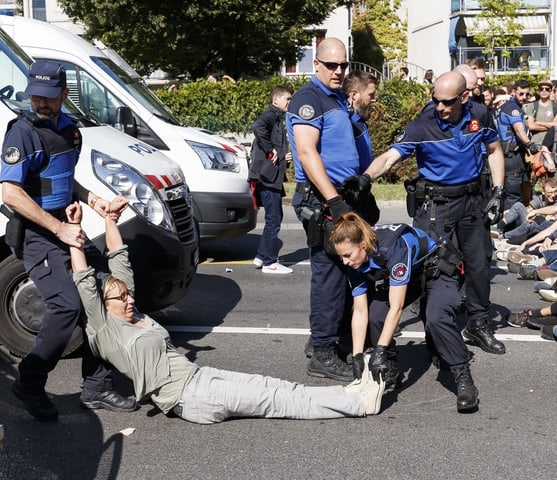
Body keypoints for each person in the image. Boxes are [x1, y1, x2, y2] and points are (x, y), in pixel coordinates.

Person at [67, 197, 386, 423]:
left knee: (276, 386)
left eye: (127, 293)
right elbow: (83, 280)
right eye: (120, 298)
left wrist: (110, 220)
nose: (129, 299)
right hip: (191, 399)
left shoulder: (130, 309)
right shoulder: (104, 329)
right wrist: (74, 230)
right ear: (102, 307)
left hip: (202, 376)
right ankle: (358, 404)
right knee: (278, 401)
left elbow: (118, 255)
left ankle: (352, 391)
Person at [1, 60, 136, 421]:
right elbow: (11, 192)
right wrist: (58, 229)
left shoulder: (71, 131)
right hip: (38, 235)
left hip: (67, 227)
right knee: (66, 306)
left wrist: (96, 201)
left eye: (48, 97)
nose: (40, 104)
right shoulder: (21, 132)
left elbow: (64, 180)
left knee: (107, 294)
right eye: (35, 97)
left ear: (63, 94)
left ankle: (97, 387)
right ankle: (29, 382)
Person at [363, 71, 507, 356]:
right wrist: (365, 178)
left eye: (447, 102)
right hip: (436, 208)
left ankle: (477, 322)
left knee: (479, 264)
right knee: (435, 270)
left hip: (472, 202)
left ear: (465, 97)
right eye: (436, 100)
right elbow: (391, 157)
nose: (439, 107)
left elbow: (494, 149)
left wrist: (499, 191)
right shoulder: (423, 124)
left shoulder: (480, 114)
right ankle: (436, 336)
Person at [286, 38, 377, 381]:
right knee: (329, 275)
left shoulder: (336, 99)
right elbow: (307, 153)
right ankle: (322, 351)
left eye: (343, 65)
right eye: (332, 65)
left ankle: (326, 341)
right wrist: (334, 201)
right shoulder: (308, 99)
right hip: (322, 200)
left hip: (340, 196)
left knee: (344, 273)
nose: (339, 71)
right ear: (317, 64)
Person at [330, 213, 479, 412]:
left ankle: (463, 377)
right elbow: (359, 310)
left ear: (363, 246)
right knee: (376, 316)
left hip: (437, 271)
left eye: (347, 255)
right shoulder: (353, 261)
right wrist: (357, 355)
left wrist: (379, 350)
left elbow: (397, 307)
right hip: (412, 278)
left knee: (437, 318)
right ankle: (391, 369)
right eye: (341, 256)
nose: (344, 261)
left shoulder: (393, 247)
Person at [249, 85, 294, 274]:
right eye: (287, 99)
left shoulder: (277, 118)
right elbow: (257, 127)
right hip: (266, 176)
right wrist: (270, 150)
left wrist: (284, 157)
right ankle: (269, 262)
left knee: (273, 217)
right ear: (276, 100)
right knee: (274, 218)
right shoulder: (271, 115)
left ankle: (261, 256)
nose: (289, 103)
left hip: (269, 175)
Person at [496, 79, 536, 209]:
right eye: (521, 94)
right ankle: (511, 226)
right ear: (513, 92)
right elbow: (519, 130)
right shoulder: (513, 108)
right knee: (513, 195)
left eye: (527, 94)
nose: (524, 97)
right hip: (511, 156)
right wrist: (530, 144)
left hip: (512, 155)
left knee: (513, 192)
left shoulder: (510, 106)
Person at [343, 71, 380, 173]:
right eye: (371, 95)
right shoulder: (345, 124)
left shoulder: (360, 121)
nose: (374, 99)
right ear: (354, 95)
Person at [523, 79, 557, 146]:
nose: (544, 91)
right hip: (535, 145)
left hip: (552, 145)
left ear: (551, 91)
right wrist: (550, 126)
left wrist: (538, 122)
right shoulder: (531, 106)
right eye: (541, 89)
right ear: (538, 91)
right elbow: (531, 126)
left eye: (547, 89)